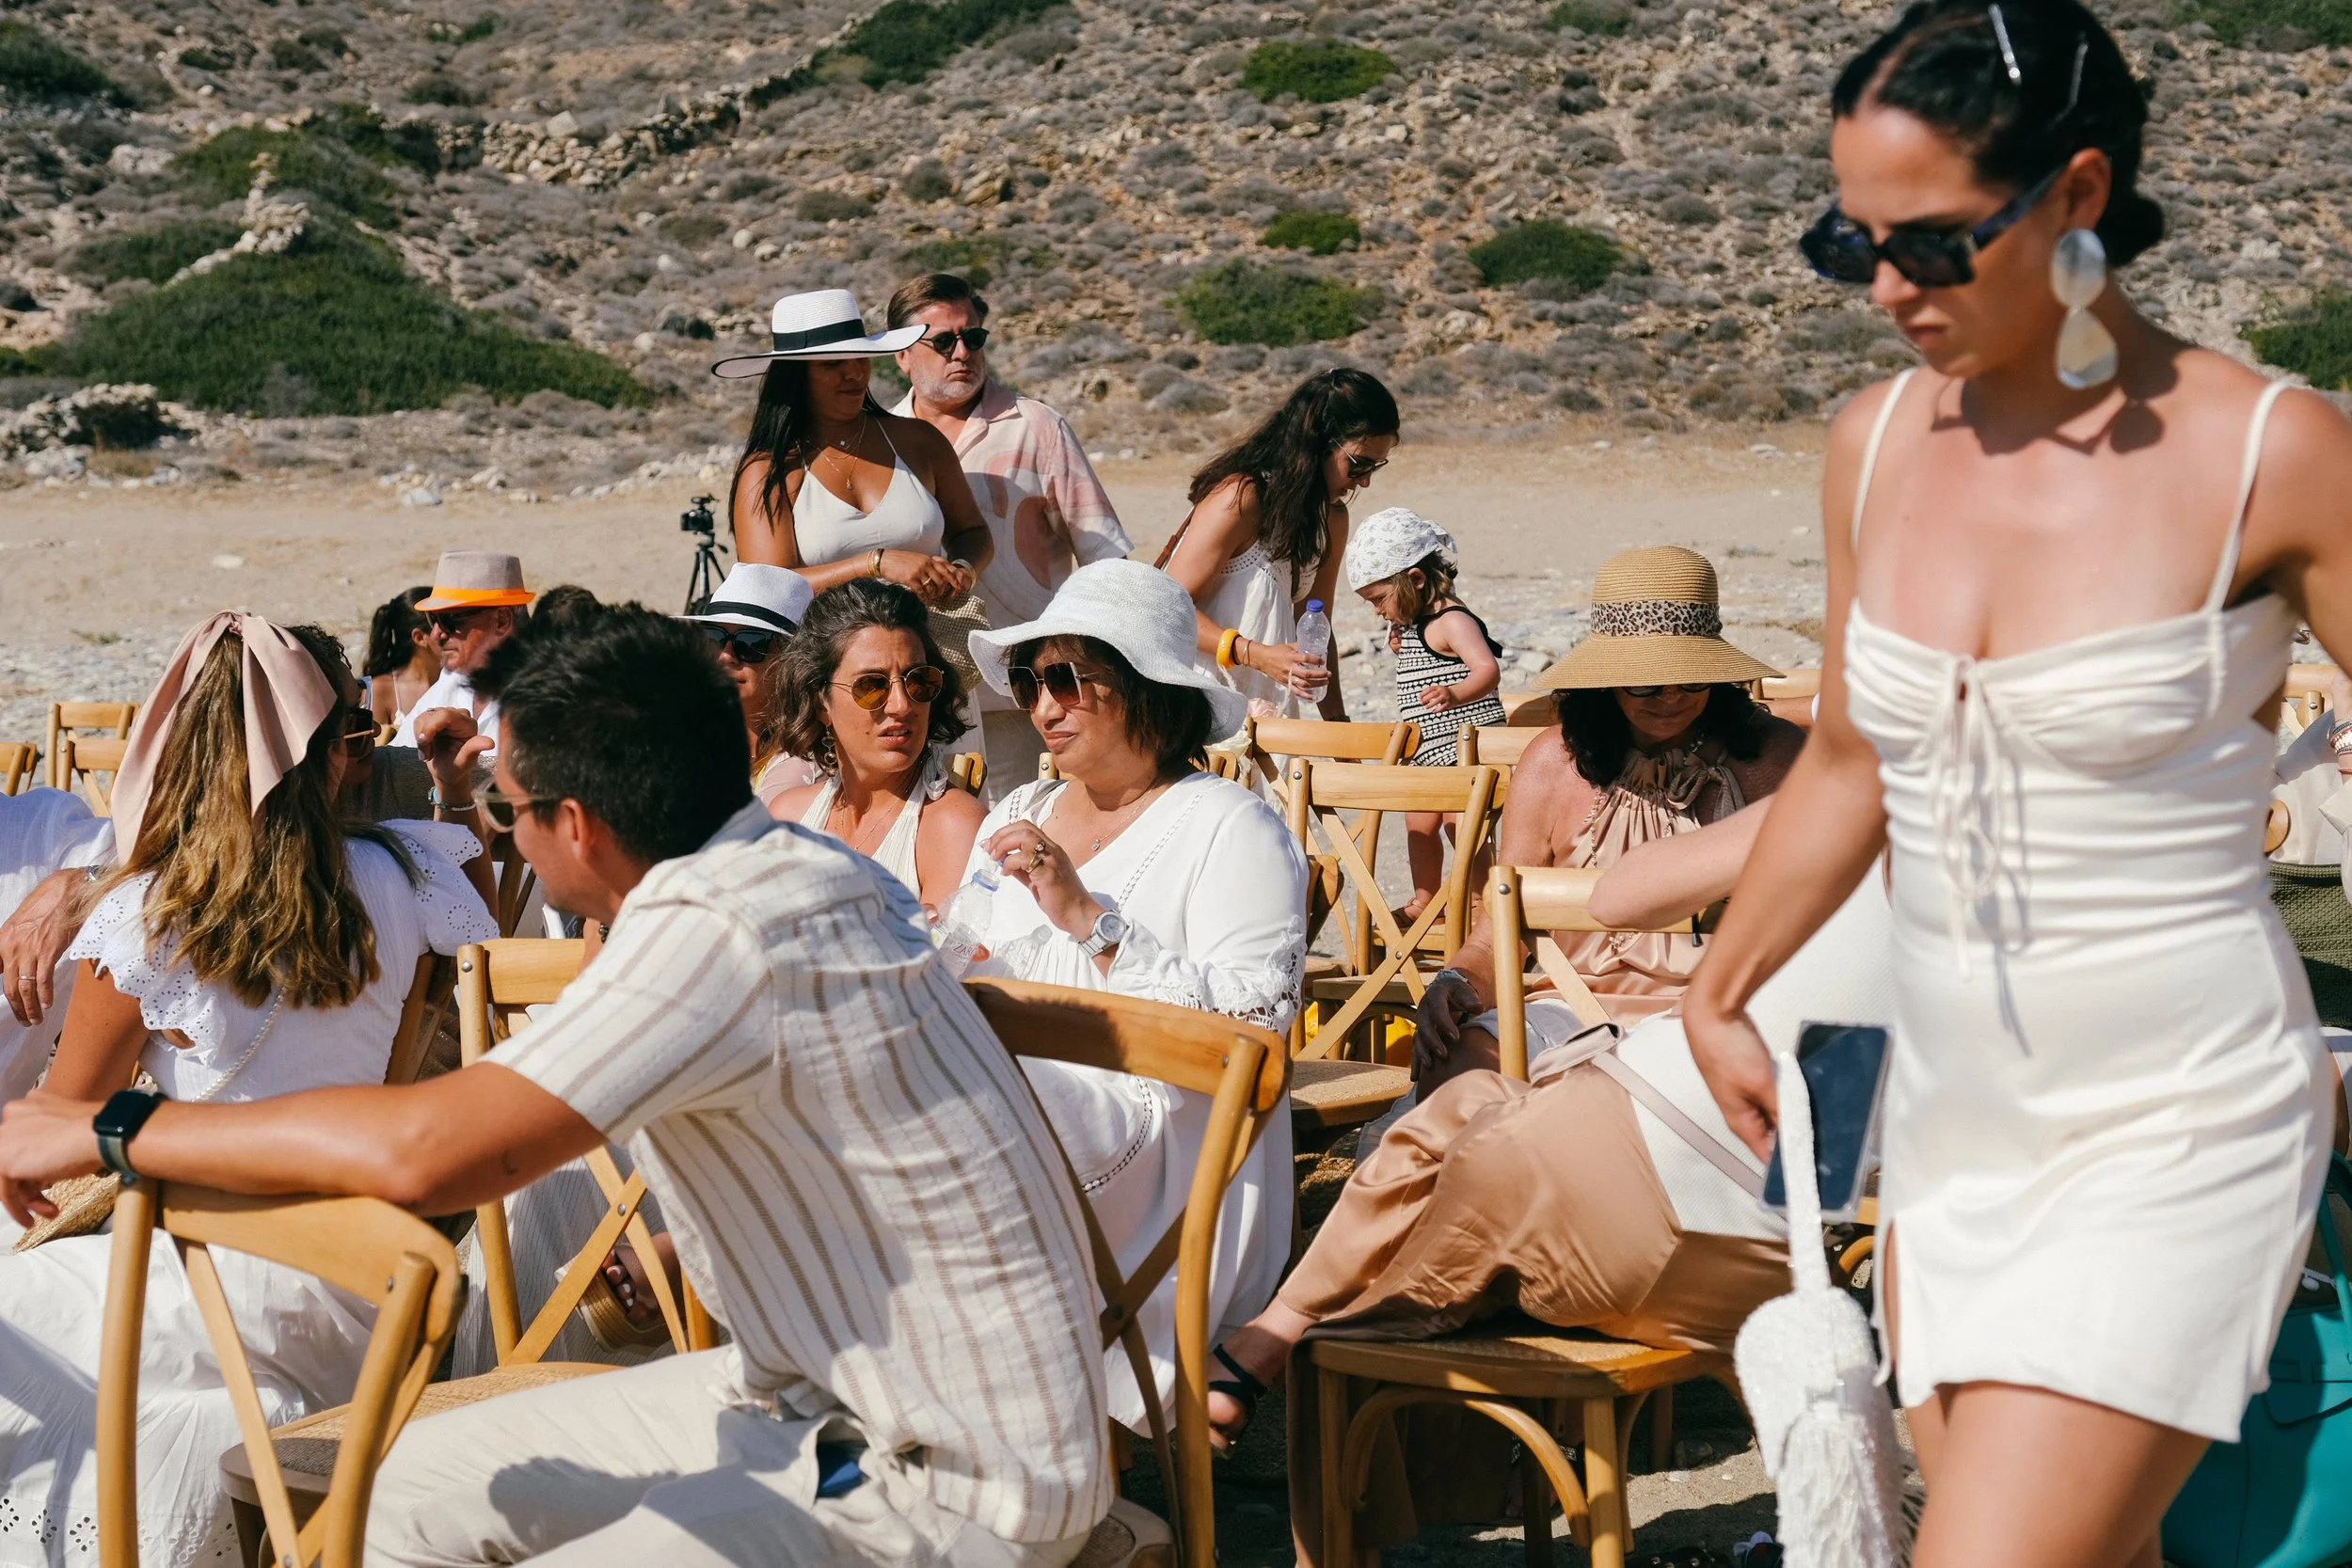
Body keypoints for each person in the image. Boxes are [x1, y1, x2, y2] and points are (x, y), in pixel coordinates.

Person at [0, 606, 1113, 1568]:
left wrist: (112, 1125)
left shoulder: (717, 927)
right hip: (800, 1389)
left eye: (510, 809)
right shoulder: (783, 869)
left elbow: (425, 1148)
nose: (502, 830)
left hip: (945, 1468)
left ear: (573, 824)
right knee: (386, 1500)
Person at [1677, 3, 2352, 1561]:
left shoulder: (2275, 450)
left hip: (2179, 1113)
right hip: (1957, 1110)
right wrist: (1723, 987)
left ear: (2079, 192)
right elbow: (1853, 751)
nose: (1891, 290)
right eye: (1852, 247)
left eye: (1931, 243)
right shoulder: (1874, 443)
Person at [1207, 801, 1890, 1560]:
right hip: (1766, 1264)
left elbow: (1617, 897)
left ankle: (1272, 1343)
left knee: (1363, 1296)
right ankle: (1286, 1350)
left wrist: (1814, 794)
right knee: (1475, 1114)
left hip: (1609, 1172)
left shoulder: (1862, 789)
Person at [0, 612, 498, 1567]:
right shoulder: (409, 871)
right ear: (334, 752)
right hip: (363, 1287)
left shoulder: (148, 921)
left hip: (204, 1274)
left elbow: (58, 1127)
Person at [961, 558, 1304, 1431]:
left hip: (1168, 1145)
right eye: (1030, 679)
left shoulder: (1230, 824)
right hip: (1030, 1106)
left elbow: (1254, 1037)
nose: (1043, 705)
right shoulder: (1023, 807)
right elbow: (964, 951)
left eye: (1068, 679)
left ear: (1147, 687)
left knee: (961, 1118)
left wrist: (1090, 919)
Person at [1415, 546, 1803, 1091]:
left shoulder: (1773, 758)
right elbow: (1498, 934)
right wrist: (1456, 980)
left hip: (1729, 1006)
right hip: (1573, 1006)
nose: (1670, 697)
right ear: (1607, 681)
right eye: (1645, 682)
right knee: (1461, 1067)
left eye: (1692, 680)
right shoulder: (1553, 763)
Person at [884, 273, 1134, 799]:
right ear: (901, 355)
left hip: (1024, 698)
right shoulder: (880, 441)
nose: (962, 353)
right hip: (914, 696)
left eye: (973, 338)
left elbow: (1106, 558)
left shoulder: (1037, 427)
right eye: (943, 341)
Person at [716, 289, 993, 612]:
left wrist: (963, 571)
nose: (855, 373)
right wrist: (875, 564)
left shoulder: (920, 441)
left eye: (861, 358)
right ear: (795, 376)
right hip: (822, 658)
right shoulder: (769, 472)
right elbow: (767, 588)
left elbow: (972, 531)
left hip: (932, 650)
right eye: (834, 364)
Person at [1162, 369, 1399, 722]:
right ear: (1318, 442)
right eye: (1358, 464)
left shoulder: (1331, 519)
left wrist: (1338, 729)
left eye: (1375, 467)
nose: (1364, 481)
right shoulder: (1240, 499)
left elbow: (1317, 626)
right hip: (1194, 708)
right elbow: (1167, 607)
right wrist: (1254, 654)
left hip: (1266, 714)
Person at [771, 579, 987, 913]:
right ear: (820, 703)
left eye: (919, 680)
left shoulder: (950, 826)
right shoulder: (789, 817)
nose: (901, 705)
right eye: (872, 685)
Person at [1343, 507, 1506, 921]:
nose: (1379, 611)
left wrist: (1456, 692)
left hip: (1467, 745)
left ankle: (1481, 899)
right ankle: (1426, 898)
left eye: (1380, 600)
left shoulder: (1453, 620)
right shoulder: (1417, 621)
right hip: (1431, 745)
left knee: (1459, 822)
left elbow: (1487, 670)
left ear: (1415, 580)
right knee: (1418, 821)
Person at [680, 561, 821, 808]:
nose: (725, 656)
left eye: (750, 643)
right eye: (714, 638)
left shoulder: (802, 763)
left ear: (791, 657)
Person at [389, 550, 534, 754]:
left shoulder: (548, 693)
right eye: (433, 619)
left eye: (448, 620)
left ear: (502, 621)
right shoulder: (453, 678)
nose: (436, 634)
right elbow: (399, 754)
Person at [364, 586, 437, 729]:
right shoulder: (381, 690)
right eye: (447, 625)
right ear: (420, 638)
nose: (456, 633)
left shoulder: (460, 681)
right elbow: (370, 748)